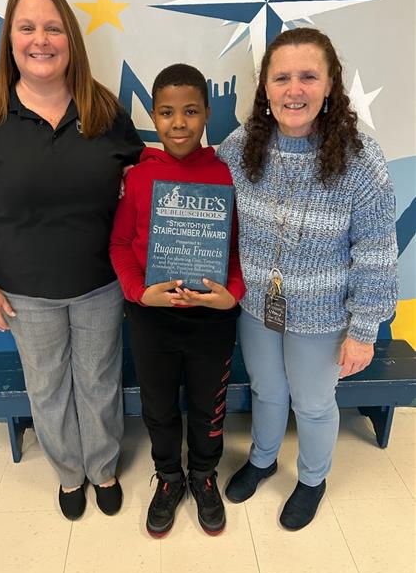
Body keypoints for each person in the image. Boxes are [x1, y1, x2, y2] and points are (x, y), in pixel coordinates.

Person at [0, 0, 143, 521]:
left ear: (70, 39)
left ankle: (102, 468)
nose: (41, 39)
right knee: (48, 387)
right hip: (24, 293)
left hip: (100, 282)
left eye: (53, 27)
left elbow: (142, 171)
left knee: (100, 381)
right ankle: (68, 475)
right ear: (10, 40)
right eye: (27, 27)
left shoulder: (102, 108)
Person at [217, 27, 398, 530]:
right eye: (281, 78)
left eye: (308, 76)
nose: (294, 89)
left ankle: (313, 479)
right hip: (259, 307)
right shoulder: (240, 146)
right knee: (267, 391)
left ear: (329, 85)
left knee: (314, 403)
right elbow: (201, 191)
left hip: (324, 318)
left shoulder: (360, 158)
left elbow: (378, 250)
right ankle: (262, 459)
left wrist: (364, 329)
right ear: (266, 89)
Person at [110, 64, 246, 537]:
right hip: (152, 318)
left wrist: (232, 296)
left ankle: (204, 475)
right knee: (159, 406)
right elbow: (120, 245)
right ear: (153, 115)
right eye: (166, 112)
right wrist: (137, 292)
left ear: (207, 113)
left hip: (212, 322)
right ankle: (169, 478)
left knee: (210, 406)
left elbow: (238, 250)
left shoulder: (228, 175)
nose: (179, 123)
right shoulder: (142, 176)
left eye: (190, 111)